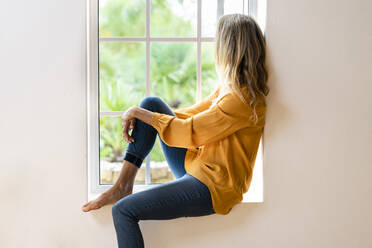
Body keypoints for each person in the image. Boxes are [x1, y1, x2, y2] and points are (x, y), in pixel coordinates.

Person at [82, 13, 270, 248]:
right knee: (151, 103)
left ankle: (122, 192)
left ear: (230, 49)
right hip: (199, 166)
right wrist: (149, 115)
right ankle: (123, 186)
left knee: (123, 211)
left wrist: (142, 116)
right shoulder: (229, 90)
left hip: (214, 187)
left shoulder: (241, 100)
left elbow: (192, 131)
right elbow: (191, 115)